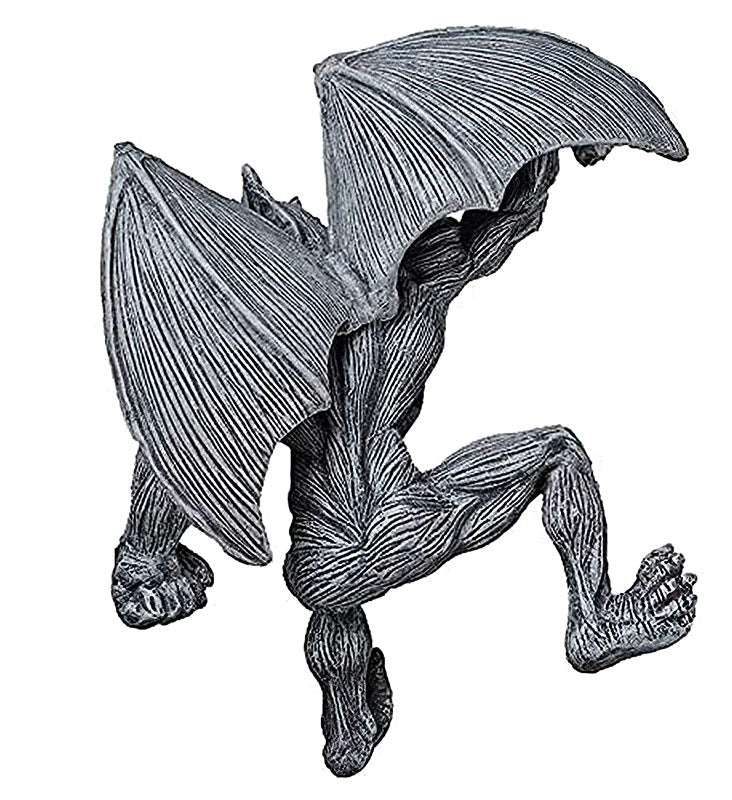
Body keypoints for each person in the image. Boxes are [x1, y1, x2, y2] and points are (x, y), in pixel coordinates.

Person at [111, 148, 697, 777]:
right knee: (558, 455)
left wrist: (146, 554)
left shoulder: (271, 343)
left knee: (336, 598)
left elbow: (177, 433)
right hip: (392, 522)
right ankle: (594, 618)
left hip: (319, 559)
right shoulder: (405, 293)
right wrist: (550, 150)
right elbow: (507, 221)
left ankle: (347, 730)